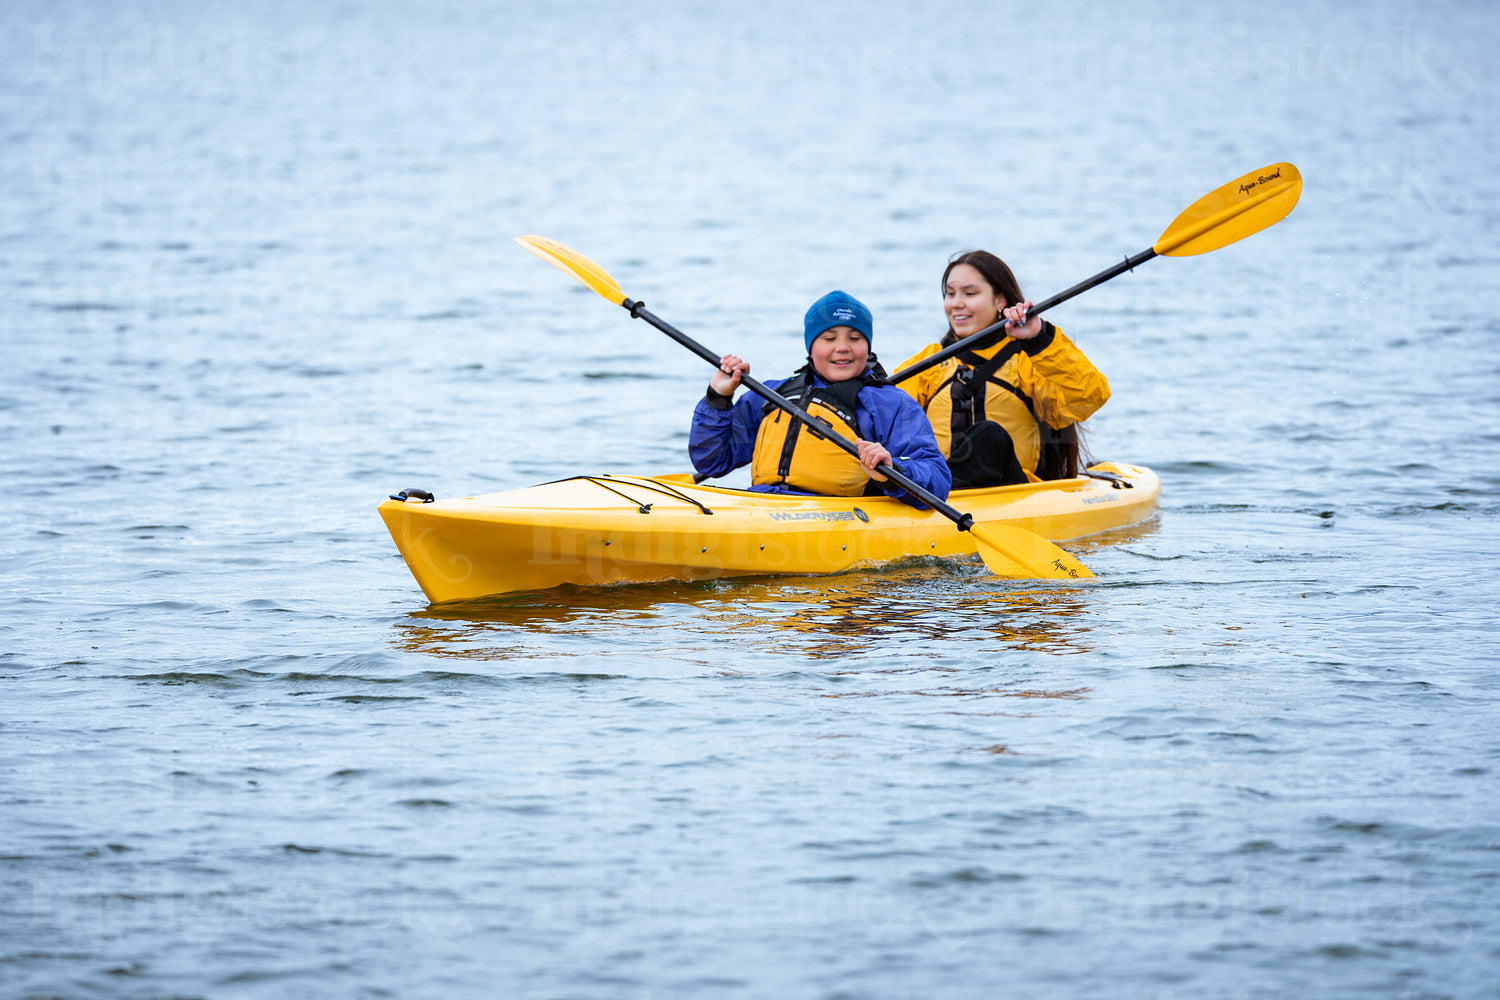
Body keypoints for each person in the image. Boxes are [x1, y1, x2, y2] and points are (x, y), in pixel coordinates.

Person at [689, 290, 951, 507]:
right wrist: (718, 397)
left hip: (837, 518)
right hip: (762, 507)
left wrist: (892, 470)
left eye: (855, 338)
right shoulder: (771, 395)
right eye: (829, 338)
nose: (842, 347)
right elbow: (712, 460)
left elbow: (937, 480)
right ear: (810, 347)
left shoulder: (890, 404)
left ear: (868, 346)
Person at [893, 250, 1110, 488]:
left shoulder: (1027, 360)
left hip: (1012, 490)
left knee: (989, 437)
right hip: (939, 493)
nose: (956, 303)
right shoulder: (929, 363)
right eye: (950, 294)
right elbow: (883, 418)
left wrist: (1039, 339)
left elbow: (1089, 395)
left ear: (1000, 300)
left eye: (970, 293)